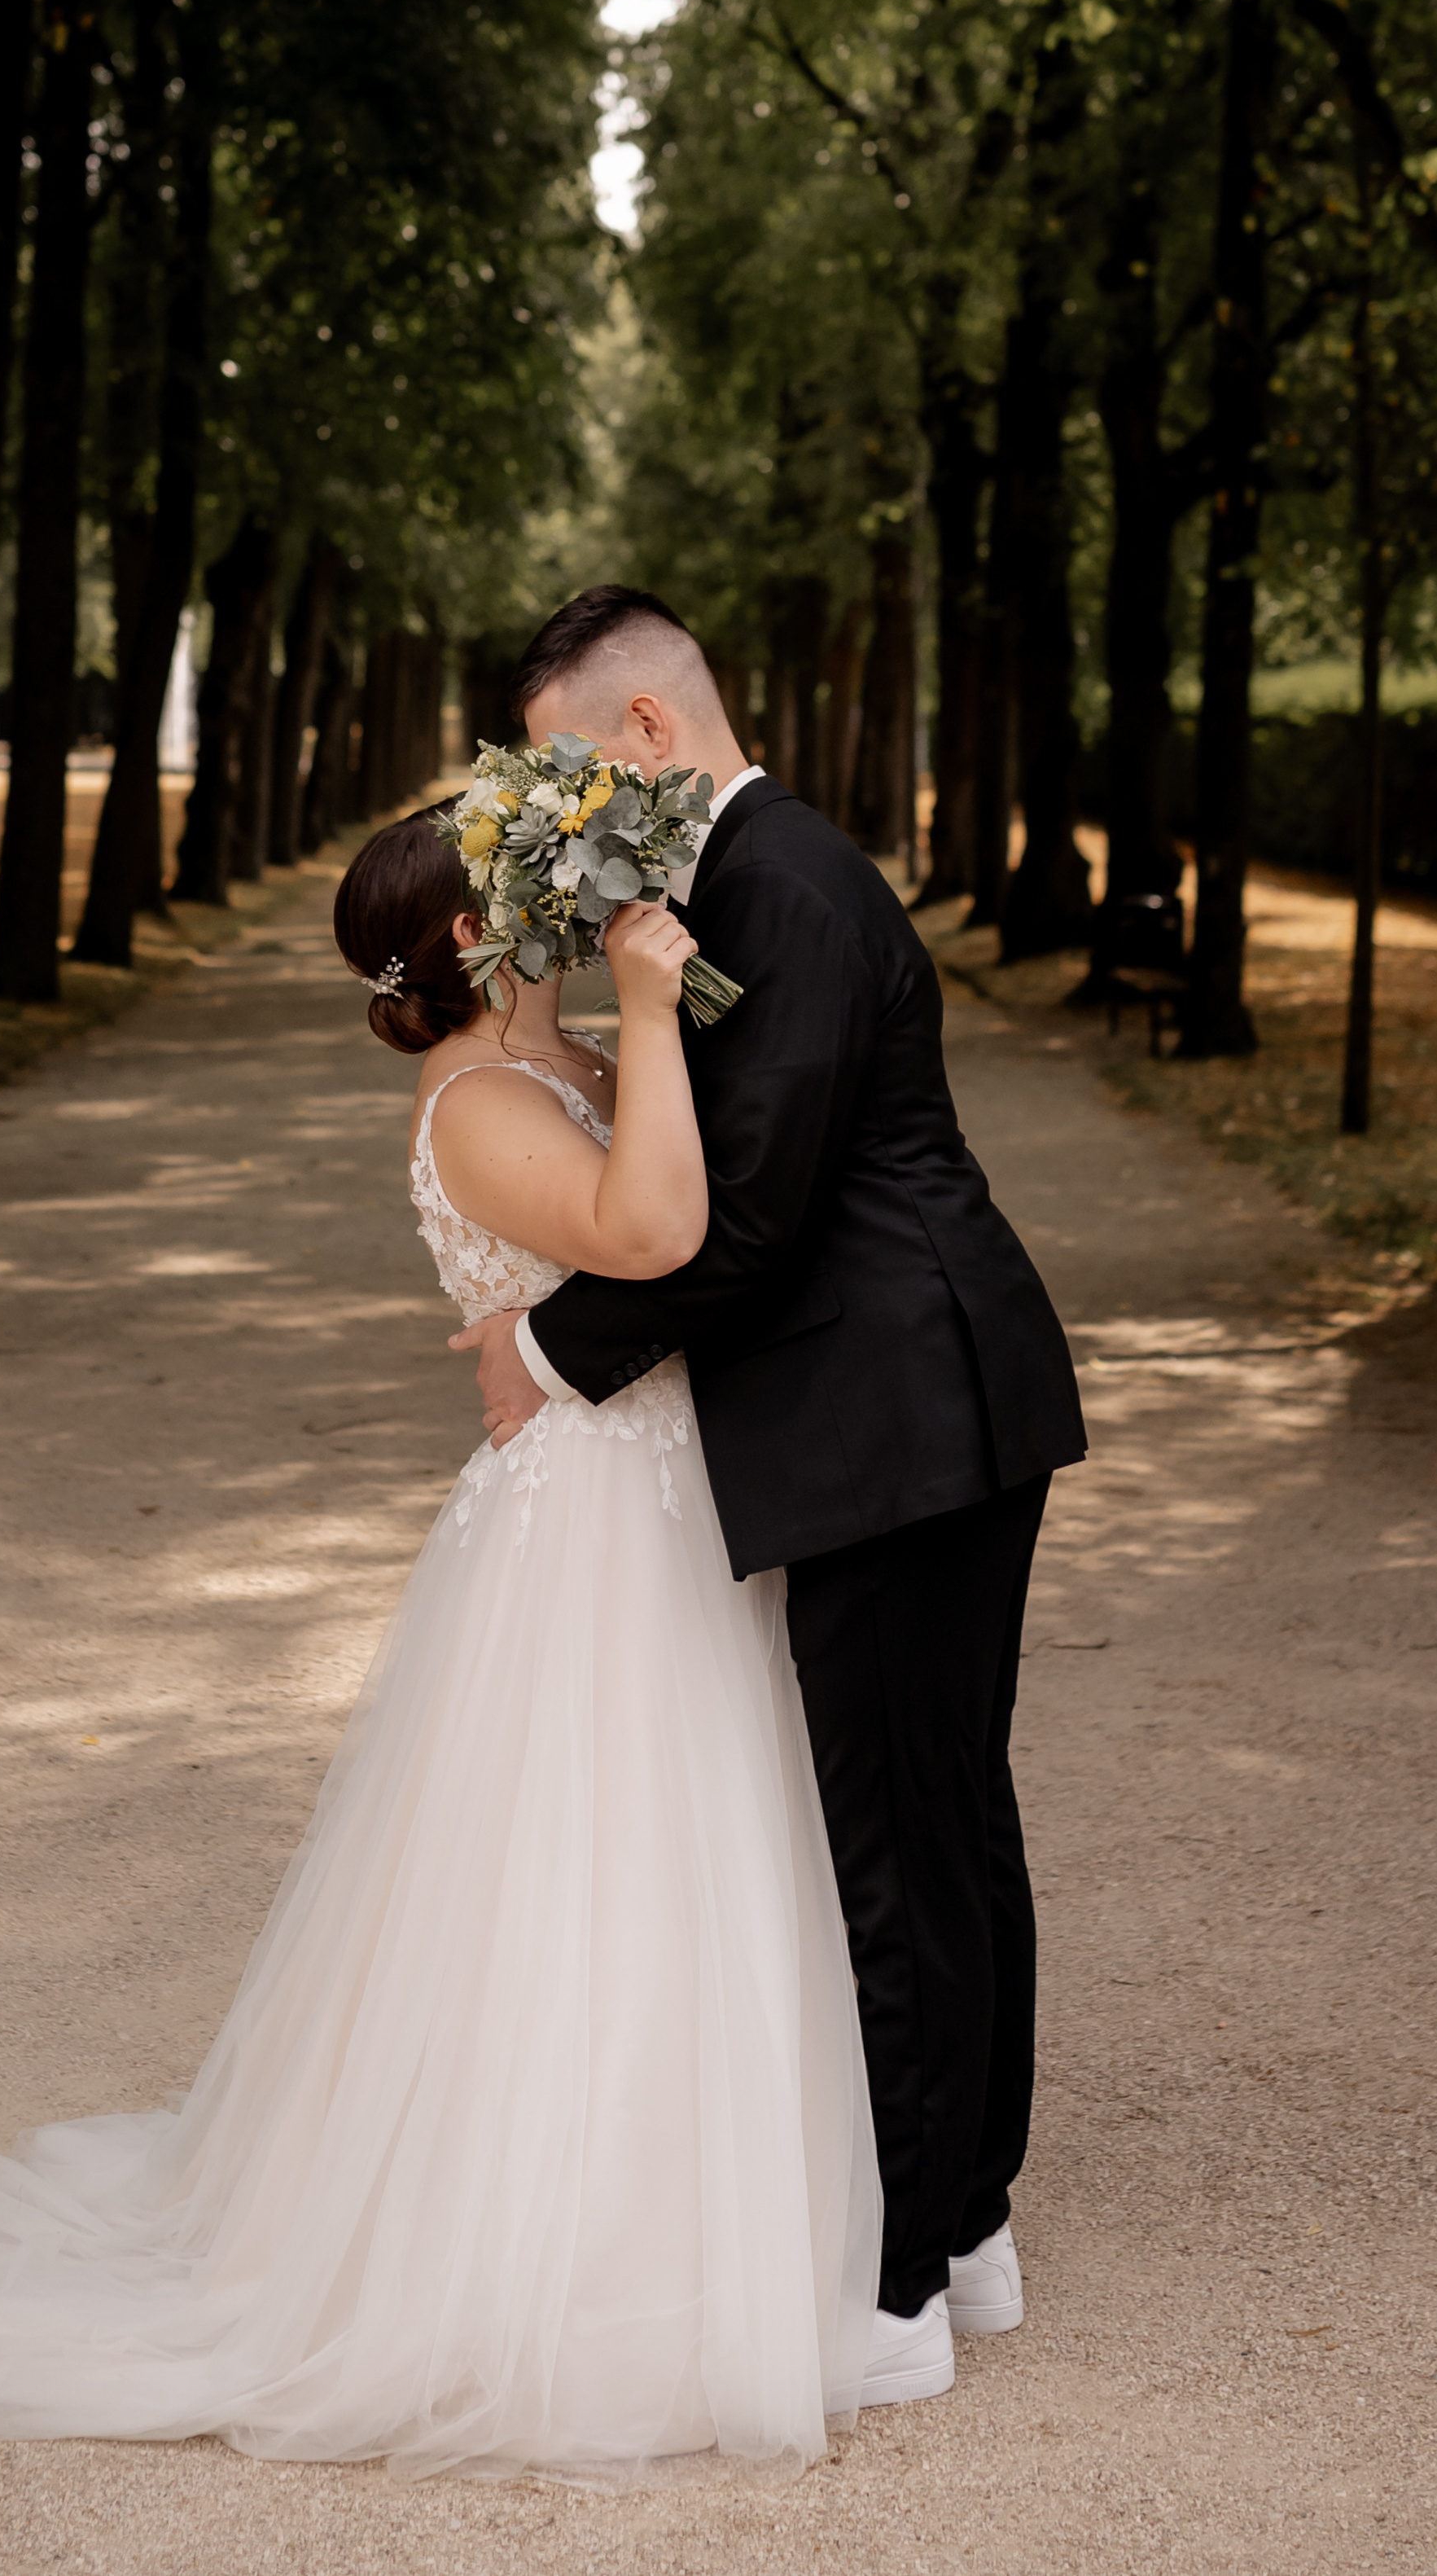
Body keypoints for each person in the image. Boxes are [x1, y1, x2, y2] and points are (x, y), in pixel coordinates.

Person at [0, 801, 882, 2481]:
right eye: (526, 883)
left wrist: (652, 1017)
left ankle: (711, 2216)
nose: (566, 899)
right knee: (592, 1868)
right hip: (591, 1531)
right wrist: (642, 1005)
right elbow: (654, 1235)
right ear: (476, 941)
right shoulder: (475, 1104)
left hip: (657, 1486)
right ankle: (574, 2267)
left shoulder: (552, 1072)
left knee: (691, 1855)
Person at [458, 586, 1088, 2403]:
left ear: (645, 735)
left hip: (895, 1416)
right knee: (945, 1822)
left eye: (569, 769)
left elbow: (739, 1223)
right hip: (928, 1403)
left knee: (900, 1849)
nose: (565, 813)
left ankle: (896, 2290)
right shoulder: (757, 880)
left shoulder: (778, 887)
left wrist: (547, 1351)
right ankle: (962, 2227)